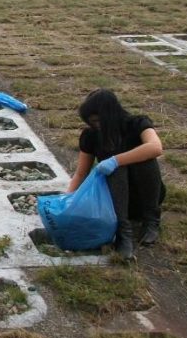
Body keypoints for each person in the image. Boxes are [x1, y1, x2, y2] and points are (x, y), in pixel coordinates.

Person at [66, 89, 165, 260]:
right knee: (115, 169)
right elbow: (81, 174)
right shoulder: (91, 136)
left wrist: (116, 160)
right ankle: (123, 232)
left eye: (97, 121)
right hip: (114, 202)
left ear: (109, 115)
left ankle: (151, 220)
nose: (95, 125)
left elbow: (156, 147)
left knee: (143, 159)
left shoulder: (136, 124)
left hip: (142, 195)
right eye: (92, 122)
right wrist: (67, 202)